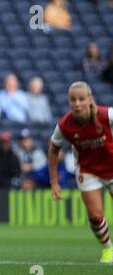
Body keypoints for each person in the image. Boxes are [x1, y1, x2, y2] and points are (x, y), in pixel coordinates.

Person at [49, 81, 113, 264]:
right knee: (94, 216)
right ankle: (108, 248)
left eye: (81, 99)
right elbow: (54, 149)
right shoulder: (64, 125)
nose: (77, 104)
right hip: (88, 170)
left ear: (90, 100)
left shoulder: (106, 115)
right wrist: (54, 182)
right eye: (73, 100)